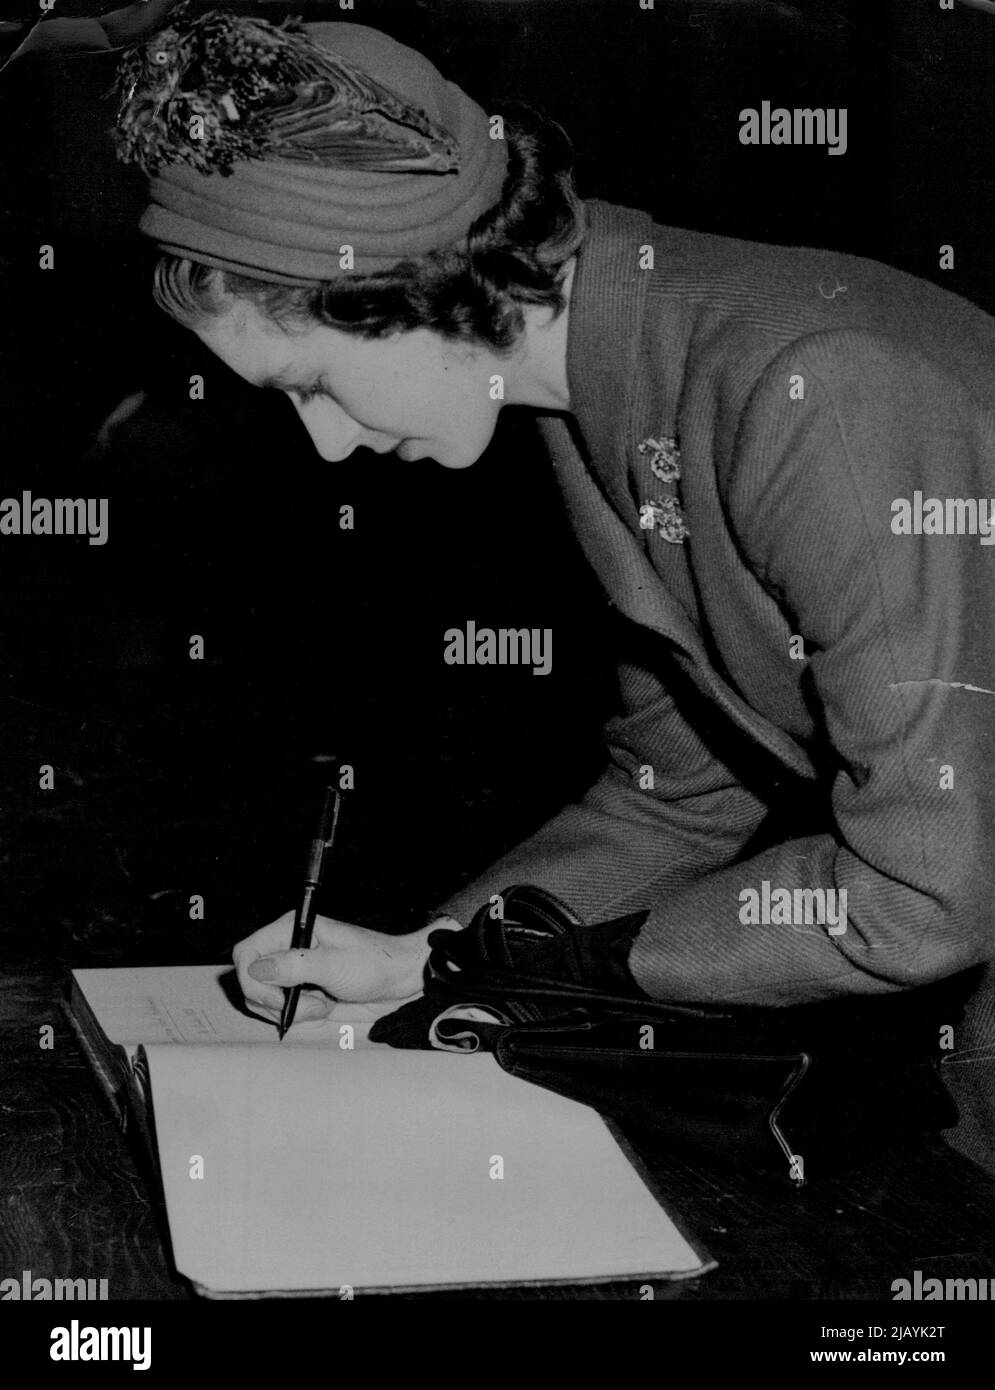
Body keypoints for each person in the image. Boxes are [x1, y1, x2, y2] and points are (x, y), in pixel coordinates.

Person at [11, 6, 995, 1162]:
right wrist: (435, 949)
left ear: (414, 288)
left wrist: (557, 970)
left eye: (313, 382)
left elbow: (921, 891)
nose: (324, 447)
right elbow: (677, 792)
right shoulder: (608, 393)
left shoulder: (809, 394)